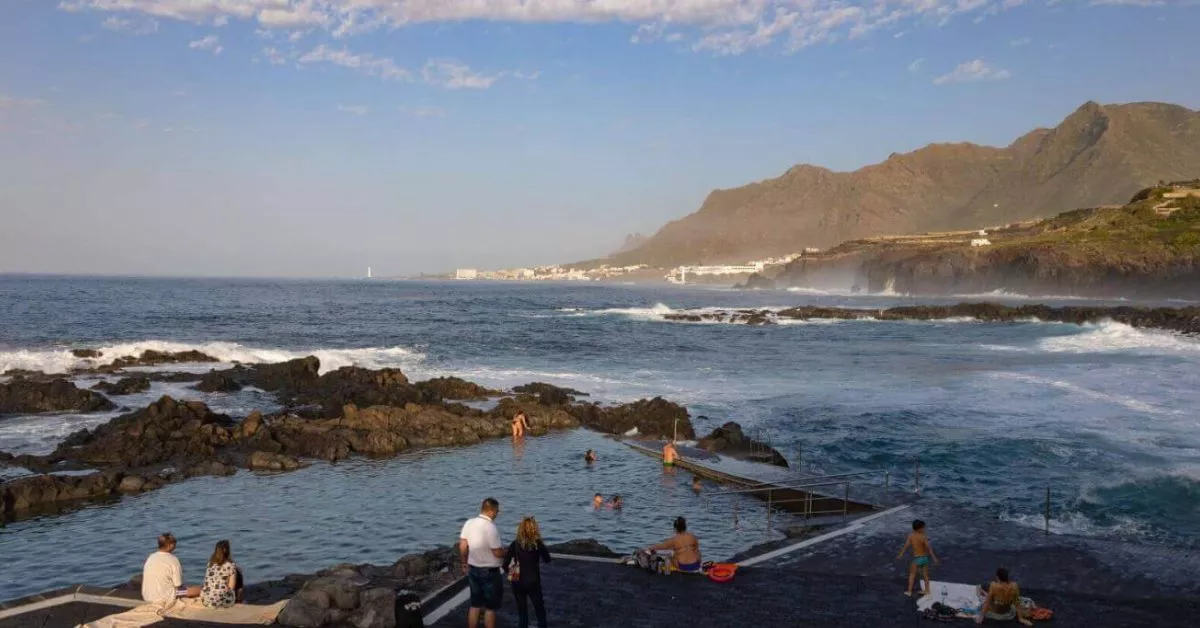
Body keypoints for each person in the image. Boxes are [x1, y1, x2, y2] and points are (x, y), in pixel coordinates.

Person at [460, 498, 506, 628]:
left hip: (473, 569)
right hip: (490, 572)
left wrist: (464, 563)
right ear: (491, 511)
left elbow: (463, 545)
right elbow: (497, 552)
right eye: (497, 511)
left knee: (475, 605)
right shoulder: (491, 527)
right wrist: (507, 553)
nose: (497, 514)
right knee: (490, 608)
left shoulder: (469, 523)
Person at [503, 517, 552, 628]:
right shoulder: (537, 544)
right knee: (539, 607)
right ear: (534, 529)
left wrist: (510, 571)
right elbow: (548, 559)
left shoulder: (515, 544)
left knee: (522, 609)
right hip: (533, 580)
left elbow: (505, 564)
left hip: (518, 581)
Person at [142, 533, 200, 605]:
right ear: (170, 545)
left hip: (147, 597)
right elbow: (178, 586)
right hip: (165, 597)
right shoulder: (173, 559)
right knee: (198, 590)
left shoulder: (150, 557)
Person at [897, 519, 939, 597]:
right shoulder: (923, 536)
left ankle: (909, 591)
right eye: (923, 528)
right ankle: (927, 590)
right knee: (925, 575)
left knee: (912, 575)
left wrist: (900, 555)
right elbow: (929, 547)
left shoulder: (911, 536)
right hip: (925, 558)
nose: (924, 529)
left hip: (917, 559)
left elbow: (906, 546)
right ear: (919, 528)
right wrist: (934, 558)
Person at [200, 540, 240, 609]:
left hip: (205, 600)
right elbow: (231, 587)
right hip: (220, 601)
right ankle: (239, 599)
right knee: (239, 574)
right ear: (226, 550)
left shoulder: (210, 563)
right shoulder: (230, 565)